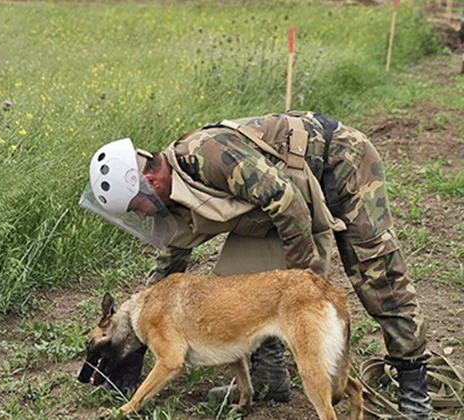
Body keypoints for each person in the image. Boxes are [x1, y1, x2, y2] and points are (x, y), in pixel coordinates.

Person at [80, 111, 432, 419]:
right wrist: (137, 334)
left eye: (136, 208)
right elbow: (170, 263)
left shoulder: (209, 156)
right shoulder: (171, 196)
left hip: (339, 162)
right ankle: (269, 379)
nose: (142, 216)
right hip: (287, 197)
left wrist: (302, 288)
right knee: (232, 290)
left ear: (150, 182)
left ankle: (414, 388)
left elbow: (288, 203)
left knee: (377, 275)